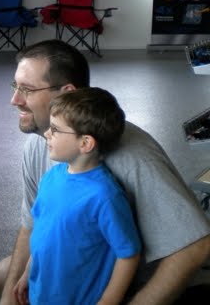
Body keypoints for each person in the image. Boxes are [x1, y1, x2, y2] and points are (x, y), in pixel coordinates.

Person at [0, 39, 210, 305]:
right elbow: (32, 226)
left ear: (65, 93)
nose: (14, 100)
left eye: (26, 89)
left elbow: (196, 246)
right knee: (4, 277)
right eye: (15, 86)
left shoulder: (131, 155)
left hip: (139, 283)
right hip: (84, 268)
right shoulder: (39, 144)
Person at [13, 87, 141, 304]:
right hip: (40, 294)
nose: (47, 134)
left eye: (55, 129)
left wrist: (107, 301)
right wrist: (28, 273)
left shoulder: (104, 196)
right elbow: (42, 233)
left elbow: (128, 254)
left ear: (85, 143)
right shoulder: (51, 178)